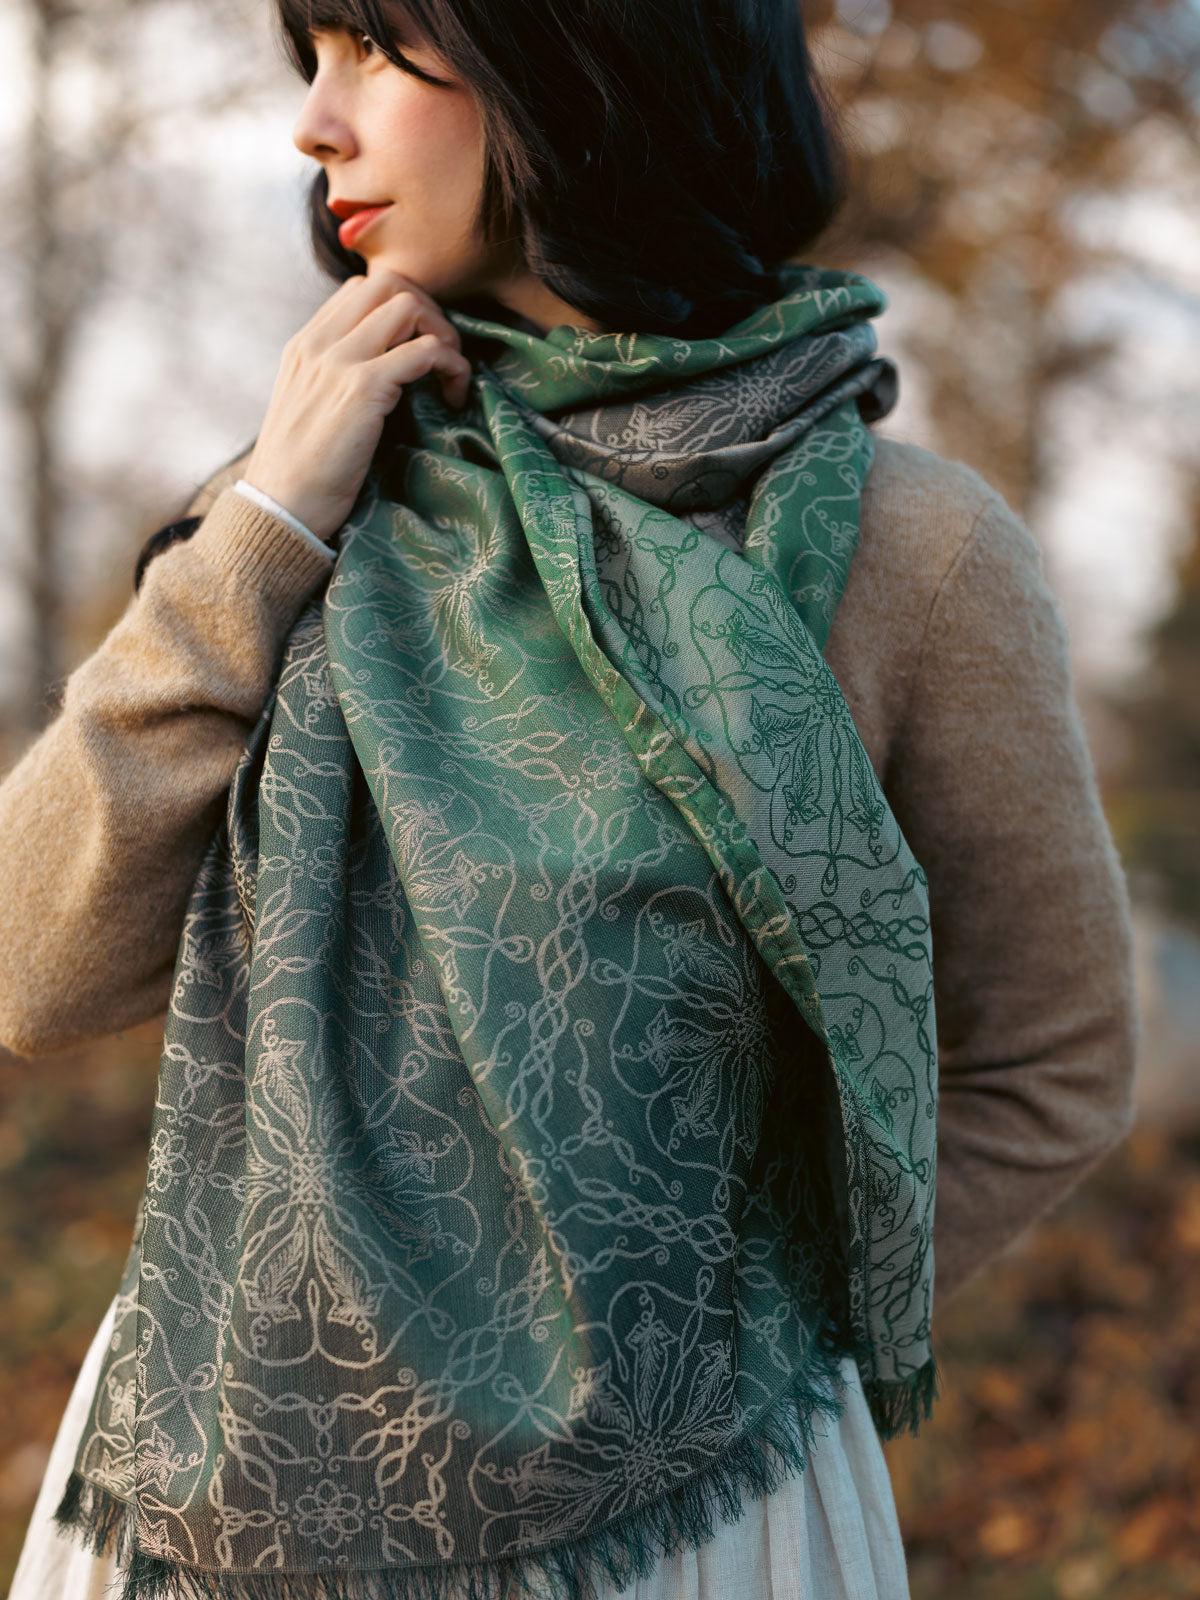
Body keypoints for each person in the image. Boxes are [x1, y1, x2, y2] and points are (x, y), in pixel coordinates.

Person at [1, 1, 1139, 1597]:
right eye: (306, 61)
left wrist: (743, 1346)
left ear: (582, 63)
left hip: (684, 1513)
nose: (314, 126)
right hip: (222, 1472)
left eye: (376, 53)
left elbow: (1057, 1057)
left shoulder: (911, 558)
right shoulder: (298, 506)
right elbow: (32, 970)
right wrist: (260, 529)